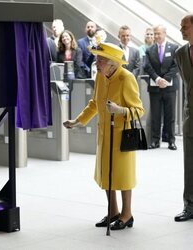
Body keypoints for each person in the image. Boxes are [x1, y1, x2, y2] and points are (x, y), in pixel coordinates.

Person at [63, 43, 144, 230]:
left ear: (113, 63)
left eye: (101, 60)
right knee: (106, 174)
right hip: (104, 135)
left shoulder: (126, 78)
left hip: (122, 136)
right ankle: (113, 211)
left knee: (123, 176)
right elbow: (94, 104)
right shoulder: (100, 76)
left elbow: (139, 110)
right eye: (97, 59)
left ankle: (127, 214)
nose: (96, 63)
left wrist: (119, 110)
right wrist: (77, 121)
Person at [144, 24, 179, 150]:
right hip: (155, 87)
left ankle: (171, 141)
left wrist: (166, 79)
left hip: (169, 87)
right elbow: (147, 66)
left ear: (165, 34)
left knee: (170, 115)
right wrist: (157, 79)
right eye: (155, 33)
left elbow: (176, 66)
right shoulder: (149, 49)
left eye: (159, 33)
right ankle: (155, 141)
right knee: (155, 115)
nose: (156, 36)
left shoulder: (174, 48)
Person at [174, 14, 193, 222]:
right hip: (190, 117)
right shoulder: (180, 53)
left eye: (185, 26)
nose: (181, 29)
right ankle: (189, 205)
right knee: (190, 163)